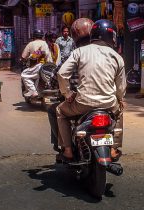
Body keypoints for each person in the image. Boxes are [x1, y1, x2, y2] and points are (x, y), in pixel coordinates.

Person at [56, 19, 126, 161]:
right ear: (112, 37)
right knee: (119, 111)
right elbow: (120, 88)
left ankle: (68, 150)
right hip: (108, 105)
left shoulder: (80, 51)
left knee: (60, 111)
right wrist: (120, 99)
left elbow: (62, 74)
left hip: (83, 104)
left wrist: (68, 94)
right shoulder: (117, 57)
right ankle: (113, 149)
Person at [47, 18, 94, 154]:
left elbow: (59, 76)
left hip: (80, 101)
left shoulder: (75, 55)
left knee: (55, 110)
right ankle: (115, 147)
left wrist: (67, 93)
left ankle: (66, 148)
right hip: (105, 101)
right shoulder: (105, 53)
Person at [21, 29, 53, 97]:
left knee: (24, 74)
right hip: (47, 67)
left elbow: (23, 56)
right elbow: (47, 55)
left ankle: (32, 91)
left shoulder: (30, 44)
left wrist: (25, 59)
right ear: (42, 36)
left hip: (36, 66)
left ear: (34, 36)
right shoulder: (45, 43)